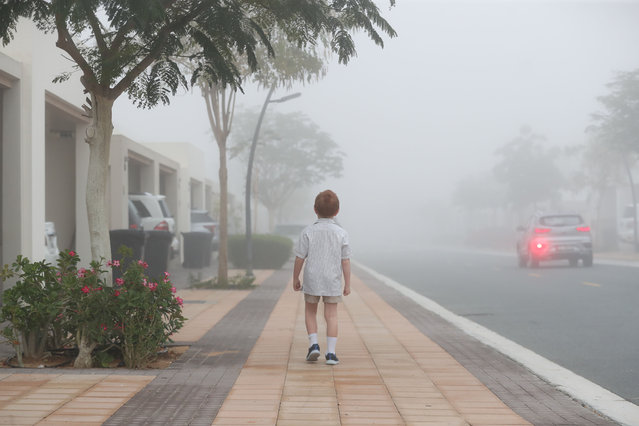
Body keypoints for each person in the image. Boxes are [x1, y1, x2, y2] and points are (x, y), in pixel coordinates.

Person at [293, 190, 351, 365]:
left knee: (310, 311)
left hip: (312, 278)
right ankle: (331, 354)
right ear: (337, 211)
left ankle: (314, 345)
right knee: (331, 315)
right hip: (332, 279)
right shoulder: (341, 233)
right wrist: (347, 284)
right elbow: (345, 261)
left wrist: (296, 277)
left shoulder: (308, 231)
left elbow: (299, 257)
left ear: (315, 209)